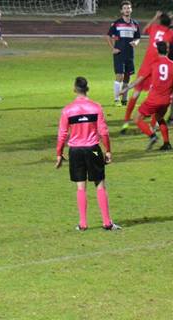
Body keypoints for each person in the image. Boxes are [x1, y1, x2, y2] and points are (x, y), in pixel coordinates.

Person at [55, 76, 121, 231]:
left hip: (75, 152)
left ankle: (83, 224)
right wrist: (108, 150)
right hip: (93, 150)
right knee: (100, 185)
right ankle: (107, 222)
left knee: (80, 187)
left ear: (74, 89)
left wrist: (59, 153)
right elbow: (103, 131)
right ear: (87, 89)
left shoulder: (67, 110)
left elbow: (62, 133)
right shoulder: (96, 107)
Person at [120, 10, 173, 133]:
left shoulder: (154, 28)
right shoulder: (170, 33)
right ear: (170, 23)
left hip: (146, 64)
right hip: (158, 66)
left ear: (159, 21)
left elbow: (144, 30)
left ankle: (126, 122)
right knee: (157, 95)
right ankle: (153, 125)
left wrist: (155, 17)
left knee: (135, 94)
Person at [120, 41, 173, 151]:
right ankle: (167, 143)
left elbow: (139, 80)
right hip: (166, 100)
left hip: (153, 100)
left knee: (137, 118)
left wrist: (126, 89)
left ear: (157, 50)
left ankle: (152, 136)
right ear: (167, 50)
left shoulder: (153, 64)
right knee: (159, 118)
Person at [106, 0, 141, 106]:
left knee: (127, 76)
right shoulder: (116, 23)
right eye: (125, 8)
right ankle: (116, 99)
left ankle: (124, 99)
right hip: (119, 53)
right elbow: (108, 36)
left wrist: (136, 42)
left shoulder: (135, 24)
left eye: (128, 8)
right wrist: (113, 48)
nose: (127, 10)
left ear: (131, 10)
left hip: (130, 54)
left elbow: (138, 37)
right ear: (121, 10)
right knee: (119, 76)